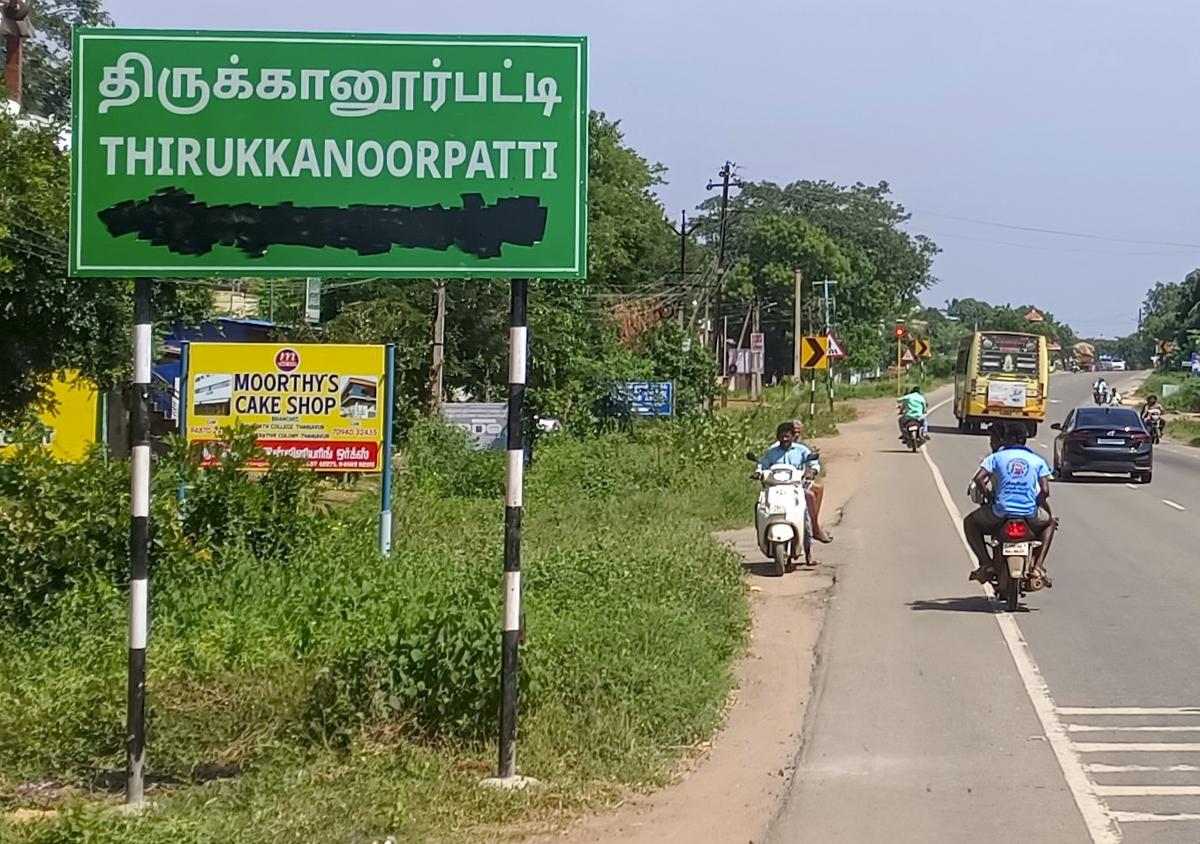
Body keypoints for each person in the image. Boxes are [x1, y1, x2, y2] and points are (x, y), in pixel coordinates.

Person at [964, 422, 1057, 587]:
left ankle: (986, 563)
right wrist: (1034, 504)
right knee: (1049, 523)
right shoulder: (1037, 460)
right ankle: (1037, 566)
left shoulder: (996, 457)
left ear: (1009, 438)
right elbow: (1044, 490)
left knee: (970, 522)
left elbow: (978, 479)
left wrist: (989, 496)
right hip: (1029, 513)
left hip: (1000, 512)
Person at [758, 421, 834, 549]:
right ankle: (762, 531)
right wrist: (758, 472)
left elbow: (813, 462)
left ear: (793, 436)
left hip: (797, 485)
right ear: (777, 437)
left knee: (809, 496)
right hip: (776, 486)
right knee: (760, 505)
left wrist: (812, 471)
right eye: (782, 436)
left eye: (788, 436)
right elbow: (762, 465)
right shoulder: (771, 452)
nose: (785, 439)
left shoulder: (801, 449)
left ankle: (814, 528)